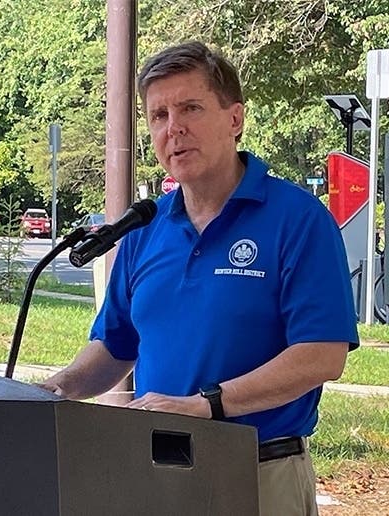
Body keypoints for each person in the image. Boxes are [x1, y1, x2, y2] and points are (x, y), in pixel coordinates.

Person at [38, 41, 359, 515]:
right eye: (159, 115)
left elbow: (322, 356)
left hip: (258, 475)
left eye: (190, 107)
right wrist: (56, 387)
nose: (175, 128)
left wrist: (207, 404)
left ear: (235, 119)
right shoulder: (145, 230)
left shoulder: (298, 219)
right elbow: (115, 347)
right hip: (153, 474)